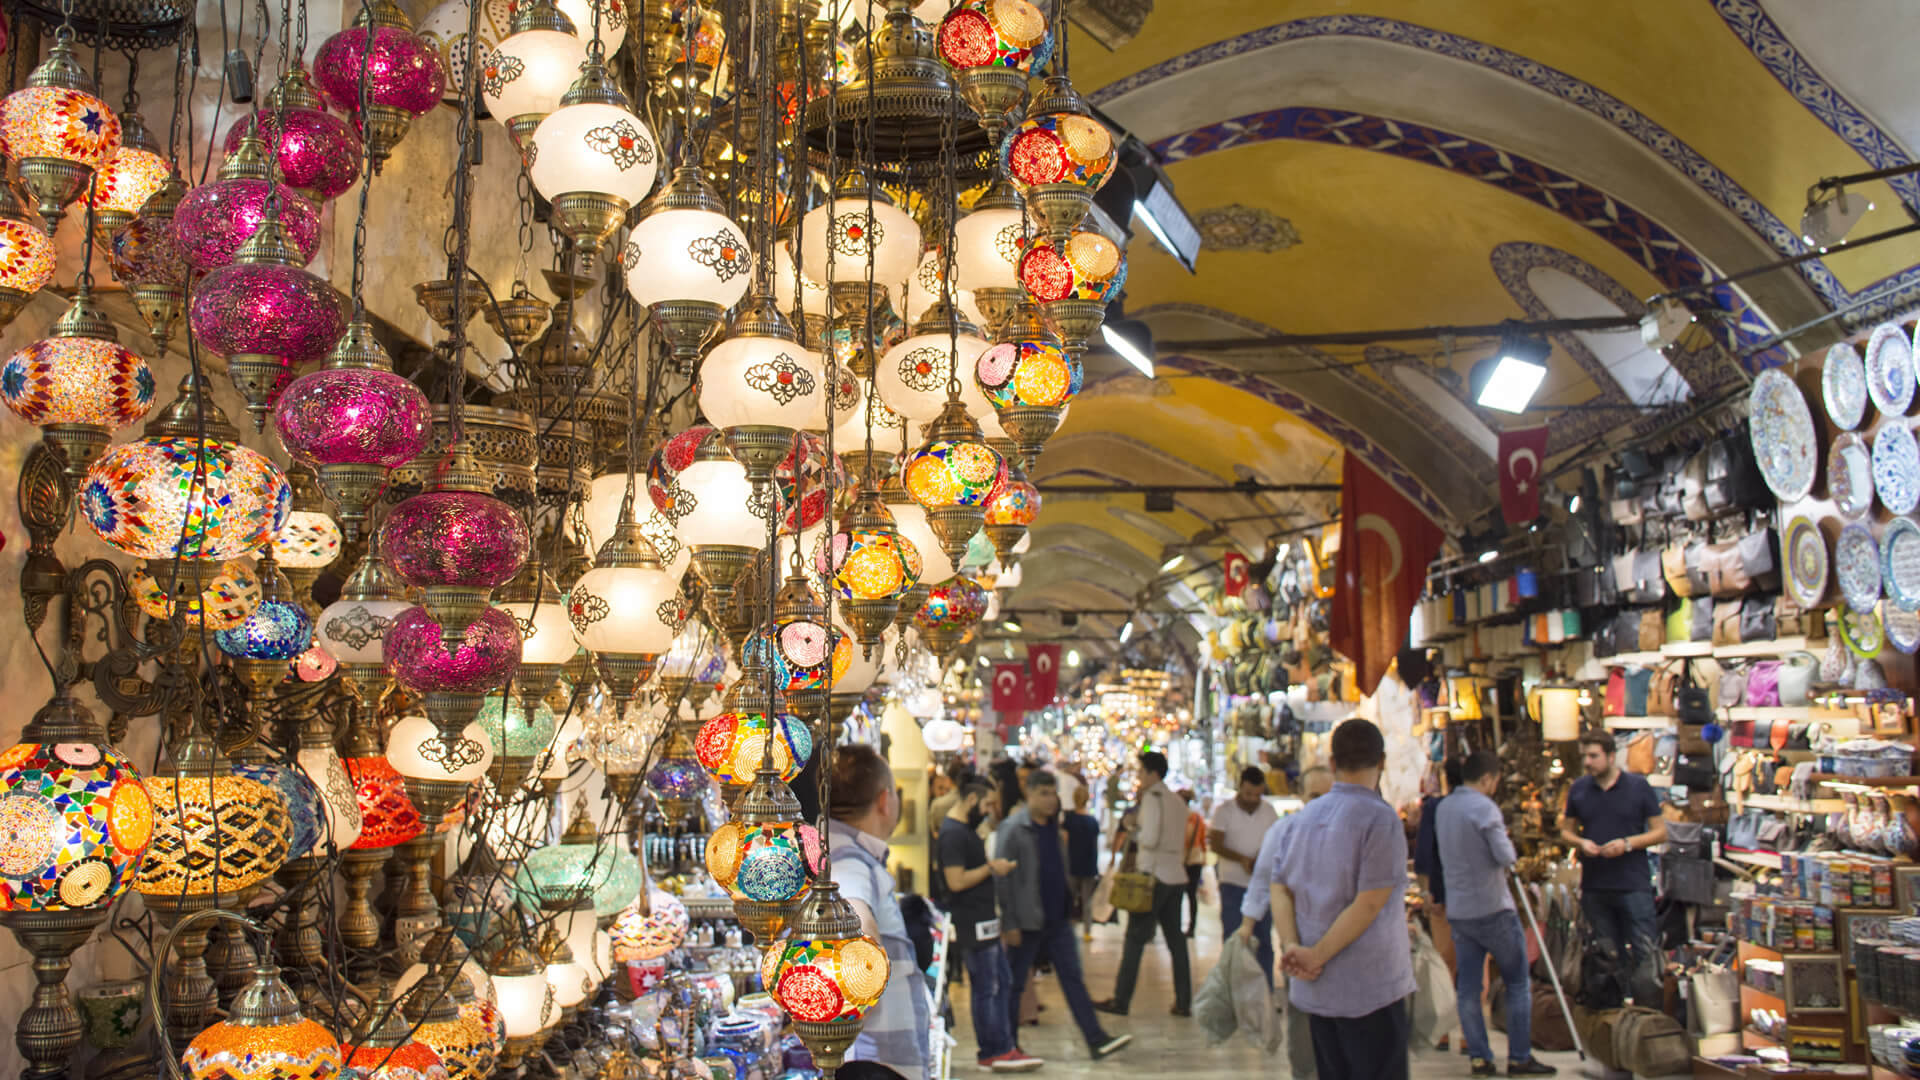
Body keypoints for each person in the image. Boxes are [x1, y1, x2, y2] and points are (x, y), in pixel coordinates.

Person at [1271, 719, 1416, 1080]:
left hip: (1317, 988)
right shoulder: (1380, 820)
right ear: (1381, 762)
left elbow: (1279, 888)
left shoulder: (1301, 820)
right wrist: (1315, 955)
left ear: (1333, 763)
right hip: (1370, 988)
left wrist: (1294, 947)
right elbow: (1369, 903)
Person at [995, 770, 1134, 1061]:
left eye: (1053, 793)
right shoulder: (1013, 829)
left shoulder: (1054, 828)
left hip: (1056, 918)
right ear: (1028, 794)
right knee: (1015, 983)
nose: (1050, 800)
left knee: (1073, 978)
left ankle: (1095, 1039)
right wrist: (1009, 923)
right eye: (1043, 793)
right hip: (1027, 919)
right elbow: (1003, 880)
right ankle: (1007, 1045)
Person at [1437, 750, 1557, 1077]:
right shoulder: (1484, 808)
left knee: (1469, 987)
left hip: (1460, 910)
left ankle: (1479, 1057)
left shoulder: (1444, 807)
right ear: (1488, 779)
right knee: (1517, 982)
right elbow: (1505, 856)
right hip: (1492, 908)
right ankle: (1519, 1057)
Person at [828, 745, 934, 1079]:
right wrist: (850, 1019)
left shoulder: (844, 849)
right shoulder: (848, 858)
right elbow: (855, 921)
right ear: (885, 800)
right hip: (873, 1062)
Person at [938, 777, 1040, 1072]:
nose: (988, 809)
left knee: (1001, 982)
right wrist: (991, 868)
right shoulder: (953, 834)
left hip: (985, 920)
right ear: (971, 800)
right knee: (987, 986)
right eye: (985, 803)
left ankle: (1004, 1045)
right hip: (972, 921)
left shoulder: (964, 830)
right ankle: (993, 1049)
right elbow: (955, 881)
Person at [1559, 730, 1667, 1006]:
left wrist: (1628, 844)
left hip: (1633, 884)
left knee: (1644, 953)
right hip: (1596, 886)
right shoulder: (1580, 789)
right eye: (1585, 756)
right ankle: (1614, 1019)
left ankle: (1648, 1018)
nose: (1588, 762)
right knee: (1605, 958)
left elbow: (1660, 832)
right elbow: (1566, 832)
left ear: (1610, 756)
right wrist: (1582, 843)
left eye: (1593, 756)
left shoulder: (1637, 787)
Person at [1238, 765, 1331, 1080]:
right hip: (1300, 940)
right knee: (1303, 1014)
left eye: (1329, 795)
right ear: (1301, 797)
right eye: (1314, 796)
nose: (1322, 803)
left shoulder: (1354, 831)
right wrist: (1247, 925)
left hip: (1348, 943)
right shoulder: (1285, 831)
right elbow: (1264, 881)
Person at [1095, 751, 1192, 1018]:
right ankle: (1184, 1001)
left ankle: (1121, 999)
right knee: (1176, 941)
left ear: (1152, 773)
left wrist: (1133, 826)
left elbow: (1149, 838)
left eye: (1140, 772)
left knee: (1135, 939)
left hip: (1154, 876)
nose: (1138, 777)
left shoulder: (1153, 799)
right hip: (1176, 875)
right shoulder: (1177, 801)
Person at [1209, 766, 1280, 984]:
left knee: (1264, 941)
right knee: (1234, 938)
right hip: (1232, 883)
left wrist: (1260, 859)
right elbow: (1216, 843)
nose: (1252, 799)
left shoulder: (1268, 812)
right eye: (1248, 794)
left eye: (1257, 795)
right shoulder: (1224, 811)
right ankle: (1233, 988)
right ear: (1240, 788)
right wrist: (1242, 859)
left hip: (1261, 886)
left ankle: (1264, 990)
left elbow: (1276, 842)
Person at [1064, 787, 1101, 940]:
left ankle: (1067, 928)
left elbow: (1065, 843)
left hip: (1073, 864)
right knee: (1087, 901)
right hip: (1089, 865)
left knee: (1069, 899)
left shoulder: (1069, 820)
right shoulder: (1093, 821)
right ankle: (1087, 931)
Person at [1180, 789, 1207, 936]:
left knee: (1178, 895)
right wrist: (1204, 858)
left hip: (1181, 860)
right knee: (1191, 895)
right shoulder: (1197, 818)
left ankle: (1178, 928)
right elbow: (1202, 841)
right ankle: (1192, 928)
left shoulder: (1177, 818)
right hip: (1196, 858)